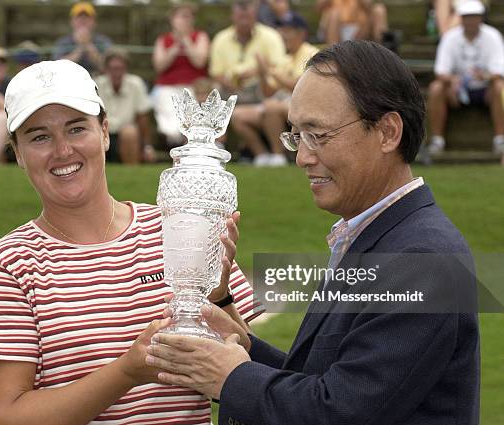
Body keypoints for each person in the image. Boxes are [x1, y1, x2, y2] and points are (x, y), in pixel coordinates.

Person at [146, 41, 480, 425]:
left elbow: (340, 412)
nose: (303, 157)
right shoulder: (379, 236)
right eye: (296, 137)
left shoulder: (423, 260)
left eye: (318, 135)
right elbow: (321, 381)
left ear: (388, 132)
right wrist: (235, 337)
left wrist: (230, 377)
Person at [0, 59, 263, 425]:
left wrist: (219, 298)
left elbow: (251, 373)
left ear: (105, 131)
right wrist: (126, 372)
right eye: (39, 136)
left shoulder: (176, 225)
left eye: (76, 129)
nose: (62, 150)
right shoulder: (7, 263)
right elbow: (3, 417)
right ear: (18, 153)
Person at [230, 13, 319, 167]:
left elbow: (300, 87)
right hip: (283, 102)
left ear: (301, 33)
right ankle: (262, 156)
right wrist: (263, 73)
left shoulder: (312, 53)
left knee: (271, 106)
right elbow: (268, 92)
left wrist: (270, 71)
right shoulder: (285, 58)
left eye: (288, 31)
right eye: (281, 30)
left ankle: (279, 156)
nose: (283, 35)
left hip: (305, 105)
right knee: (238, 115)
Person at [427, 0, 504, 160]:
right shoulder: (450, 37)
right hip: (456, 90)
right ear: (461, 18)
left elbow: (499, 71)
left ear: (481, 18)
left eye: (474, 17)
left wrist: (484, 76)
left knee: (499, 87)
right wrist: (453, 80)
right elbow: (441, 71)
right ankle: (437, 140)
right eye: (467, 17)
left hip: (485, 90)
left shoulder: (493, 36)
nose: (470, 21)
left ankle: (500, 139)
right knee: (436, 88)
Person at [151, 3, 209, 147]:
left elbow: (200, 62)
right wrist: (176, 45)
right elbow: (159, 66)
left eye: (189, 17)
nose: (185, 20)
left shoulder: (200, 36)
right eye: (182, 16)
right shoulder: (163, 40)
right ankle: (176, 141)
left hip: (193, 87)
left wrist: (186, 40)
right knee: (168, 108)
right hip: (167, 87)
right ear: (172, 19)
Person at [209, 0, 286, 104]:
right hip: (229, 89)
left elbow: (279, 67)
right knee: (212, 91)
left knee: (272, 88)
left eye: (248, 17)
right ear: (232, 16)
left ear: (255, 16)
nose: (244, 22)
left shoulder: (271, 36)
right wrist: (230, 83)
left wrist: (257, 72)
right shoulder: (220, 38)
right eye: (241, 17)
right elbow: (216, 73)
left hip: (261, 88)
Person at [95, 49, 155, 164]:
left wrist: (147, 146)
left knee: (129, 133)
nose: (117, 73)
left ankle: (132, 171)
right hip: (103, 131)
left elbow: (143, 117)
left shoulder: (136, 84)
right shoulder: (97, 84)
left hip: (128, 133)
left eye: (120, 68)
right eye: (113, 69)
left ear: (126, 69)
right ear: (106, 69)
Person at [53, 1, 112, 76]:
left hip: (97, 80)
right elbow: (57, 68)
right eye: (79, 17)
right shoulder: (62, 42)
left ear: (94, 22)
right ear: (72, 21)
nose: (83, 20)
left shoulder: (104, 41)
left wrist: (88, 45)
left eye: (87, 17)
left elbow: (106, 67)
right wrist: (80, 47)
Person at [317, 0, 389, 45]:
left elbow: (368, 7)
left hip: (359, 30)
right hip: (334, 29)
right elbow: (319, 7)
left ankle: (382, 49)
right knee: (334, 14)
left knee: (379, 9)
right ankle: (334, 54)